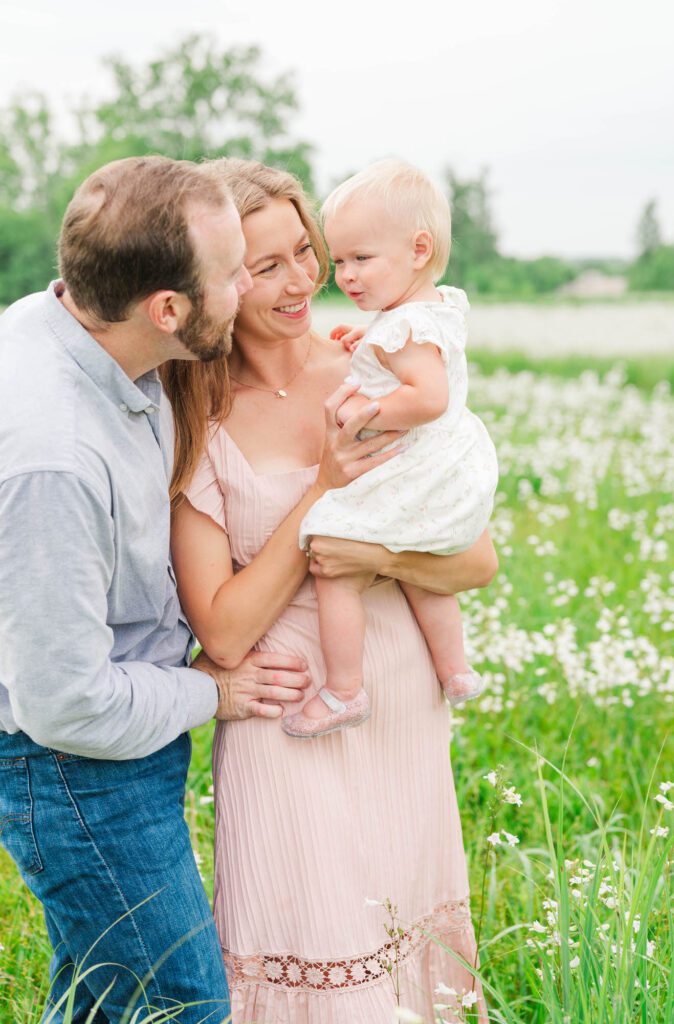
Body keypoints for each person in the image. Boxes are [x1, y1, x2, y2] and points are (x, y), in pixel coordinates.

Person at [166, 158, 497, 1023]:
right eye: (263, 266)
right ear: (209, 280)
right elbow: (226, 633)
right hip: (287, 720)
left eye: (303, 253)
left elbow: (473, 562)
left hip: (395, 699)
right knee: (307, 952)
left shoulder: (379, 371)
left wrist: (364, 560)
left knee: (403, 950)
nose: (302, 281)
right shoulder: (192, 413)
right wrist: (322, 491)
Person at [0, 155, 312, 1024]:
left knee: (105, 1006)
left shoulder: (77, 323)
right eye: (234, 273)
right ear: (168, 308)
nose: (250, 285)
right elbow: (64, 705)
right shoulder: (52, 457)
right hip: (71, 769)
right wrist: (208, 691)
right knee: (183, 1006)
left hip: (117, 742)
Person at [288, 160, 499, 737]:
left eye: (361, 259)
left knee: (331, 558)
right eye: (341, 261)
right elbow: (412, 357)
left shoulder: (401, 327)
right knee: (421, 564)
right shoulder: (424, 312)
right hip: (445, 465)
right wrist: (370, 344)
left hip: (412, 464)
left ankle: (344, 690)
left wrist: (363, 412)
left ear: (419, 249)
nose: (346, 276)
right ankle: (454, 669)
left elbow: (427, 397)